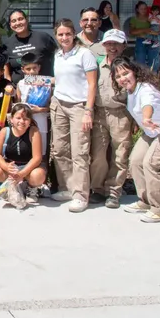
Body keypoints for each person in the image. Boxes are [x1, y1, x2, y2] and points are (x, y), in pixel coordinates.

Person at [113, 58, 160, 223]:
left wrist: (146, 117)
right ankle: (145, 201)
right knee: (135, 161)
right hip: (152, 131)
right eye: (118, 76)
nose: (123, 78)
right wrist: (140, 122)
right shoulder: (131, 90)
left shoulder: (145, 88)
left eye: (126, 73)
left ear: (135, 72)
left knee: (152, 164)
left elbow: (148, 105)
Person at [49, 19, 99, 213]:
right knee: (60, 150)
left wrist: (88, 111)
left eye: (67, 34)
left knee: (79, 152)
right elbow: (62, 79)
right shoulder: (58, 54)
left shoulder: (85, 54)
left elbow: (92, 84)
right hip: (59, 104)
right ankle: (67, 188)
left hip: (79, 107)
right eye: (60, 34)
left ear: (74, 34)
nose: (64, 38)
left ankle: (80, 194)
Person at [90, 30, 136, 208]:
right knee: (98, 155)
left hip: (120, 114)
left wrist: (134, 120)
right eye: (109, 43)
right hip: (99, 114)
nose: (112, 47)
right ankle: (98, 189)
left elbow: (134, 95)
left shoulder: (129, 69)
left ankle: (113, 191)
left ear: (124, 45)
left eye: (116, 43)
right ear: (103, 46)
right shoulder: (97, 66)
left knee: (120, 154)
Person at [0, 103, 47, 209]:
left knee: (38, 175)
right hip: (11, 167)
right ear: (11, 119)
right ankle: (12, 187)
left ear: (30, 121)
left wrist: (22, 174)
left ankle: (32, 188)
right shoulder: (4, 132)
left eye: (26, 119)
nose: (22, 121)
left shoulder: (34, 132)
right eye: (18, 118)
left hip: (29, 168)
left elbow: (37, 157)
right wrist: (6, 167)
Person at [4, 9, 57, 83]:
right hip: (19, 90)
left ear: (27, 20)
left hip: (44, 88)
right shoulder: (7, 44)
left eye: (20, 19)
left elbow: (58, 58)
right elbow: (7, 72)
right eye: (14, 21)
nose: (18, 23)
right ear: (10, 25)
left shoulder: (43, 37)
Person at [16, 53, 52, 151]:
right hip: (24, 122)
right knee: (26, 148)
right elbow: (18, 104)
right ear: (23, 69)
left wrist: (41, 109)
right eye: (28, 69)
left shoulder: (47, 82)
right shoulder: (20, 84)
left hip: (41, 120)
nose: (32, 71)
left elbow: (52, 106)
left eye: (34, 68)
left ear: (39, 68)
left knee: (42, 149)